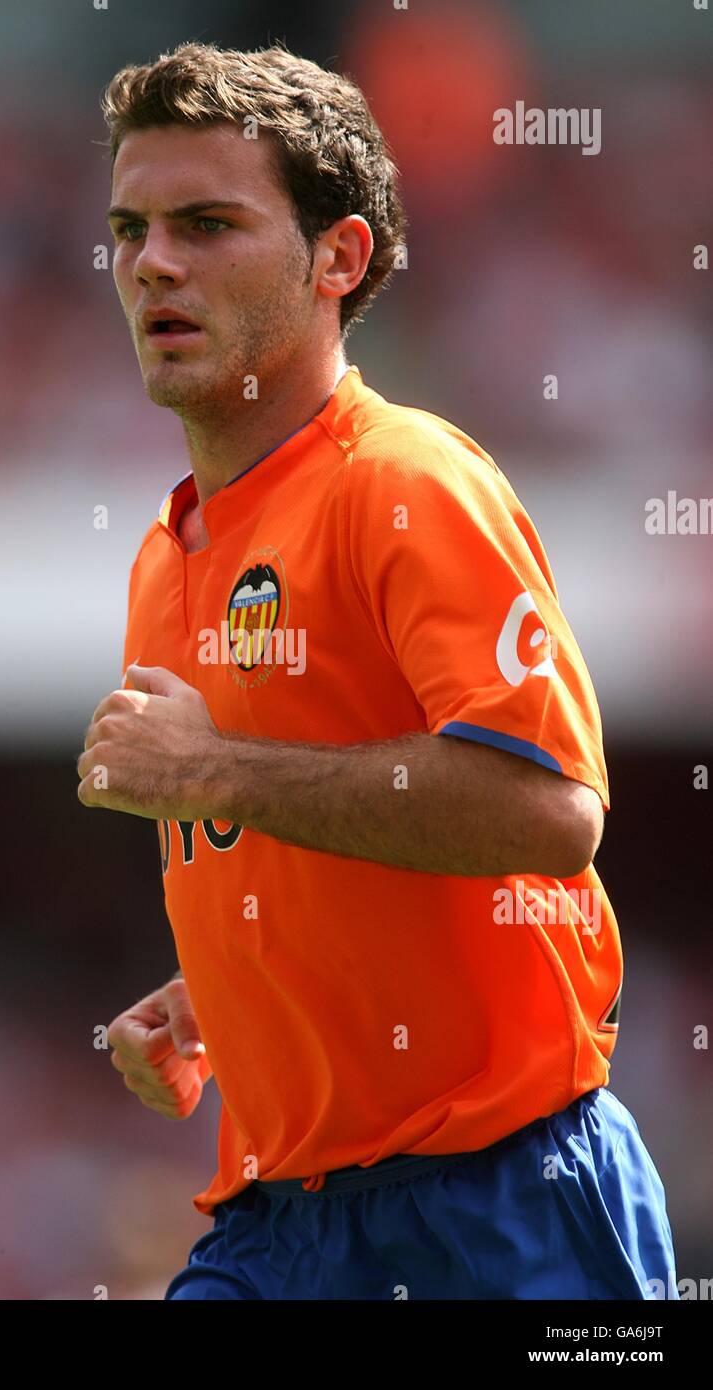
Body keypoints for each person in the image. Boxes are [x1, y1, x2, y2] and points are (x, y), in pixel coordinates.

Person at [76, 41, 677, 1299]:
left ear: (337, 259)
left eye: (206, 223)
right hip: (275, 1221)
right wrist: (218, 997)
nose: (152, 264)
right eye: (129, 227)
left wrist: (211, 771)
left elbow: (547, 811)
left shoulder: (405, 481)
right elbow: (320, 827)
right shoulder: (166, 549)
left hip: (494, 1198)